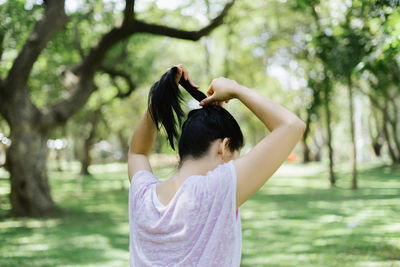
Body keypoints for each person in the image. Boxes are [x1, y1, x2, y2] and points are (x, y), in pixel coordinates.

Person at [128, 64, 306, 266]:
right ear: (224, 147)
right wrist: (236, 89)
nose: (235, 165)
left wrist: (162, 95)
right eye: (234, 157)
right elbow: (291, 126)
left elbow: (137, 152)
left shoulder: (143, 196)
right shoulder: (216, 190)